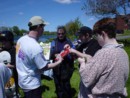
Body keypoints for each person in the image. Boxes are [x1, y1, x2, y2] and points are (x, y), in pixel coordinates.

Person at [64, 17, 129, 98]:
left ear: (103, 34)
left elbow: (87, 79)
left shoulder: (103, 53)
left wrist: (82, 63)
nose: (96, 39)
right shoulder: (123, 52)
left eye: (97, 35)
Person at [16, 16, 63, 98]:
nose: (43, 29)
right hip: (32, 84)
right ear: (38, 27)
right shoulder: (35, 47)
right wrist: (59, 62)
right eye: (43, 27)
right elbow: (43, 67)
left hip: (22, 80)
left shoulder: (20, 40)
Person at [50, 26, 75, 98]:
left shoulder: (69, 41)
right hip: (56, 66)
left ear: (65, 33)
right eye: (58, 34)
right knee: (58, 84)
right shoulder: (54, 42)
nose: (60, 35)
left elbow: (74, 53)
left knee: (66, 84)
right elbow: (50, 53)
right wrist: (55, 55)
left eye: (62, 33)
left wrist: (68, 53)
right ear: (56, 34)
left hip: (67, 66)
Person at [0, 30, 19, 98]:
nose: (2, 42)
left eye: (4, 40)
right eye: (1, 40)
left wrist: (6, 66)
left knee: (13, 93)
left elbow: (18, 65)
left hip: (13, 77)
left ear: (10, 40)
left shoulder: (15, 50)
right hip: (3, 77)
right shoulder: (2, 50)